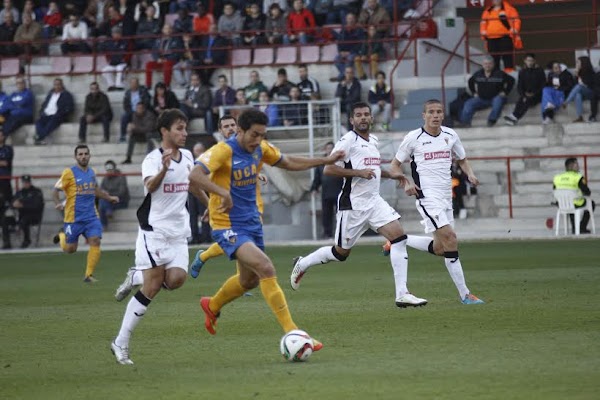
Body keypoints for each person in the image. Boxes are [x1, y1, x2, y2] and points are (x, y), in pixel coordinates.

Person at [188, 108, 343, 349]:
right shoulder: (223, 151)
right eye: (254, 135)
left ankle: (213, 305)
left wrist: (325, 160)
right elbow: (195, 175)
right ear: (239, 131)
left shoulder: (261, 148)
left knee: (248, 280)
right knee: (265, 267)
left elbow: (289, 162)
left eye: (262, 135)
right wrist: (220, 193)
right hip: (226, 223)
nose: (258, 140)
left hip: (252, 223)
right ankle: (295, 332)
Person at [290, 102, 428, 308]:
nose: (363, 118)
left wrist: (394, 175)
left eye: (366, 114)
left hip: (374, 202)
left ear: (371, 118)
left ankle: (402, 294)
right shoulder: (347, 141)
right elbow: (328, 169)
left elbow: (373, 169)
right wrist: (358, 173)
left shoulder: (372, 140)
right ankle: (303, 263)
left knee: (399, 238)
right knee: (340, 254)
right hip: (352, 205)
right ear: (352, 120)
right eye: (358, 115)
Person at [111, 109, 209, 365]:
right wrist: (164, 170)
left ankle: (136, 274)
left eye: (185, 128)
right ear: (164, 131)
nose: (184, 133)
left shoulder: (187, 155)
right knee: (153, 286)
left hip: (178, 232)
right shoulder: (152, 159)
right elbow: (150, 186)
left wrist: (208, 204)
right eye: (179, 128)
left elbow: (193, 184)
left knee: (176, 280)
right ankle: (120, 343)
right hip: (154, 230)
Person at [388, 99, 485, 305]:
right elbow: (394, 166)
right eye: (431, 112)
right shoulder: (413, 138)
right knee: (451, 238)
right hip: (427, 197)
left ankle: (398, 241)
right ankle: (465, 295)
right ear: (423, 115)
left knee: (441, 248)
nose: (435, 115)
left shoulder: (450, 135)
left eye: (439, 112)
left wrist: (470, 174)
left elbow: (462, 158)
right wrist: (405, 181)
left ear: (443, 115)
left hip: (446, 197)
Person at [52, 145, 119, 282]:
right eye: (80, 154)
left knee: (95, 240)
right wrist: (57, 203)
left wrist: (109, 197)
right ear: (75, 157)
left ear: (89, 155)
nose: (83, 156)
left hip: (91, 216)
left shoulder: (92, 172)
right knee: (70, 249)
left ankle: (88, 275)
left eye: (85, 154)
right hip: (73, 218)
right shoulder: (68, 173)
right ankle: (62, 235)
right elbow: (55, 190)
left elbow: (95, 190)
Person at [459, 56, 514, 127]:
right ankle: (465, 123)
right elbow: (470, 81)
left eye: (489, 64)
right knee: (468, 104)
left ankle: (491, 121)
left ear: (493, 64)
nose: (487, 65)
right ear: (482, 65)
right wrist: (474, 93)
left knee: (498, 102)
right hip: (481, 99)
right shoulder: (478, 74)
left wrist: (505, 92)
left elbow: (511, 80)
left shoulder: (500, 73)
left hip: (496, 98)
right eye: (485, 64)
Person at [553, 157, 595, 234]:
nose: (578, 166)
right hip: (576, 203)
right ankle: (581, 228)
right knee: (591, 203)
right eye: (577, 164)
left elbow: (555, 190)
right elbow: (587, 192)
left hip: (562, 204)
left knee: (570, 204)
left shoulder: (557, 177)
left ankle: (574, 228)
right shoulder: (578, 177)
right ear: (571, 166)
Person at [310, 141, 342, 239]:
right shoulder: (322, 163)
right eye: (328, 148)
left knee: (341, 215)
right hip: (326, 193)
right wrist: (314, 188)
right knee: (326, 215)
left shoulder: (340, 161)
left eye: (331, 148)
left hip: (339, 192)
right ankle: (327, 234)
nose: (330, 150)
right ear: (325, 149)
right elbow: (317, 178)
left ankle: (341, 234)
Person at [1, 175, 44, 249]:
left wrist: (23, 205)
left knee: (24, 220)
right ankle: (7, 243)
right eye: (24, 182)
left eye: (27, 182)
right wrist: (14, 204)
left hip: (33, 216)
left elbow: (37, 205)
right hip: (20, 216)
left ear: (30, 182)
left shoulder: (36, 192)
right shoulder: (20, 193)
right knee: (5, 220)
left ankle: (26, 240)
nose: (26, 184)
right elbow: (12, 202)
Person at [503, 53, 546, 126]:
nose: (530, 62)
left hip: (537, 95)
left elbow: (543, 85)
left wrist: (534, 93)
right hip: (525, 94)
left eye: (531, 60)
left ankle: (514, 117)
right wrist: (523, 94)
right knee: (520, 100)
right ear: (525, 61)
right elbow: (520, 86)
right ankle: (514, 117)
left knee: (527, 100)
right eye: (528, 60)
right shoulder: (522, 71)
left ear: (534, 61)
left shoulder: (539, 71)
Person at [479, 0, 520, 72]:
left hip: (505, 37)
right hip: (491, 38)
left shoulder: (510, 9)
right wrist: (484, 33)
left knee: (507, 57)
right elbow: (483, 23)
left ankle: (509, 74)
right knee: (493, 58)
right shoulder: (487, 11)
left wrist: (514, 30)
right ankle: (495, 75)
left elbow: (516, 21)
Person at [34, 78, 74, 145]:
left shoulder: (66, 95)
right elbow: (44, 105)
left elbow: (70, 107)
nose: (57, 86)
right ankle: (41, 137)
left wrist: (63, 112)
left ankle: (39, 137)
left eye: (59, 84)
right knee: (38, 122)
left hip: (58, 115)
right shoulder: (50, 95)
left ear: (62, 85)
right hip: (46, 115)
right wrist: (41, 112)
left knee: (53, 120)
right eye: (55, 85)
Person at [145, 24, 182, 88]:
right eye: (166, 29)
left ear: (172, 30)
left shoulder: (176, 39)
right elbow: (154, 51)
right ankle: (148, 85)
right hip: (160, 60)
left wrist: (167, 59)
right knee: (149, 64)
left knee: (167, 64)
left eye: (169, 28)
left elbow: (177, 53)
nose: (167, 30)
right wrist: (157, 59)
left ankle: (166, 85)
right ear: (163, 30)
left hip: (171, 60)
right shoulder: (158, 40)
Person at [332, 13, 365, 82]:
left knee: (349, 58)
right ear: (346, 20)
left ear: (355, 19)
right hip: (344, 51)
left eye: (351, 18)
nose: (350, 20)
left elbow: (360, 44)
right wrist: (341, 52)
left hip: (354, 52)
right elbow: (339, 42)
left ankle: (342, 76)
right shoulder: (343, 30)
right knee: (336, 59)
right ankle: (343, 75)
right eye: (349, 18)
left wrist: (349, 52)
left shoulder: (359, 29)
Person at [188, 142, 210, 244]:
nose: (197, 152)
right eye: (196, 150)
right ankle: (194, 236)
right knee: (192, 215)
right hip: (192, 191)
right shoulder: (190, 162)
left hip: (203, 190)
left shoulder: (206, 162)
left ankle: (206, 236)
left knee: (204, 213)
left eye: (199, 150)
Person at [562, 56, 595, 123]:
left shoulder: (589, 71)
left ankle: (566, 102)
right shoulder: (578, 72)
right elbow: (574, 87)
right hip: (582, 93)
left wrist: (581, 82)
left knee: (579, 86)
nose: (576, 64)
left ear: (583, 63)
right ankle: (580, 117)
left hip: (591, 92)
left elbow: (589, 84)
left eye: (578, 62)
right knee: (577, 94)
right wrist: (576, 75)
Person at [98, 160, 129, 229]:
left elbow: (122, 192)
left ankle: (104, 223)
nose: (109, 171)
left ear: (115, 168)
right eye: (108, 170)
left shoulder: (121, 177)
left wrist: (109, 195)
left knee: (103, 202)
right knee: (102, 201)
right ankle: (108, 211)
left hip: (120, 201)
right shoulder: (105, 178)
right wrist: (107, 196)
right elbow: (101, 190)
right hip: (109, 200)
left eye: (111, 169)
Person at [120, 78, 151, 143]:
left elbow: (147, 101)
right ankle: (123, 136)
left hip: (142, 110)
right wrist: (130, 111)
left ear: (138, 84)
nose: (133, 85)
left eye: (135, 83)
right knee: (124, 117)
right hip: (131, 111)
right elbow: (125, 104)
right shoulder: (128, 93)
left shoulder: (143, 91)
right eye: (132, 83)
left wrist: (142, 108)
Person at [100, 26, 129, 91]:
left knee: (119, 68)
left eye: (117, 33)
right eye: (114, 33)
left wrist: (125, 60)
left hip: (123, 63)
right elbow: (102, 49)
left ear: (120, 34)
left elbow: (129, 53)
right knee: (105, 70)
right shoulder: (109, 42)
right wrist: (109, 59)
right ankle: (111, 85)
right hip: (113, 63)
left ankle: (119, 85)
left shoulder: (125, 41)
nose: (115, 35)